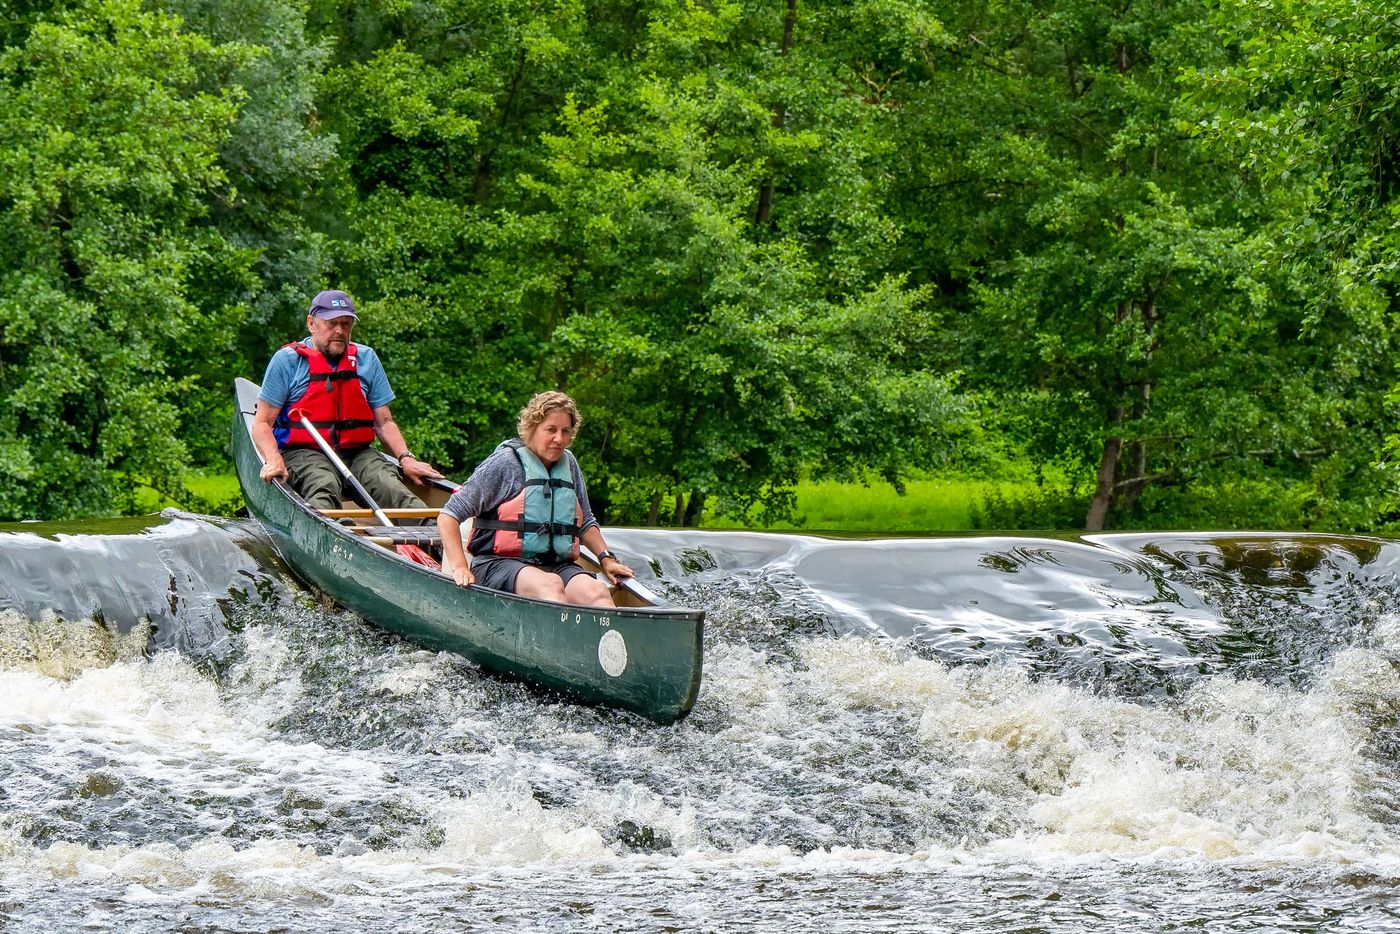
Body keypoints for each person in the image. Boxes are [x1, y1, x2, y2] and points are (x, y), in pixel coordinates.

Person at [251, 289, 444, 510]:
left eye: (346, 323)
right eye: (332, 323)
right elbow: (262, 423)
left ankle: (433, 540)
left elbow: (385, 422)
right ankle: (332, 536)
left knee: (391, 487)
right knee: (322, 485)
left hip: (357, 453)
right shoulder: (287, 361)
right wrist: (274, 459)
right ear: (312, 323)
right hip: (304, 452)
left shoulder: (366, 358)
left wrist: (406, 459)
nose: (339, 331)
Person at [437, 391, 634, 607]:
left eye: (565, 431)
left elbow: (584, 521)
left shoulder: (569, 464)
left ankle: (606, 640)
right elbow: (448, 516)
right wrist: (459, 567)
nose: (559, 439)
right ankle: (557, 640)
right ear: (532, 428)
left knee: (596, 592)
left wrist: (606, 558)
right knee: (549, 587)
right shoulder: (504, 464)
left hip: (555, 565)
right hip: (499, 564)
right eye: (551, 429)